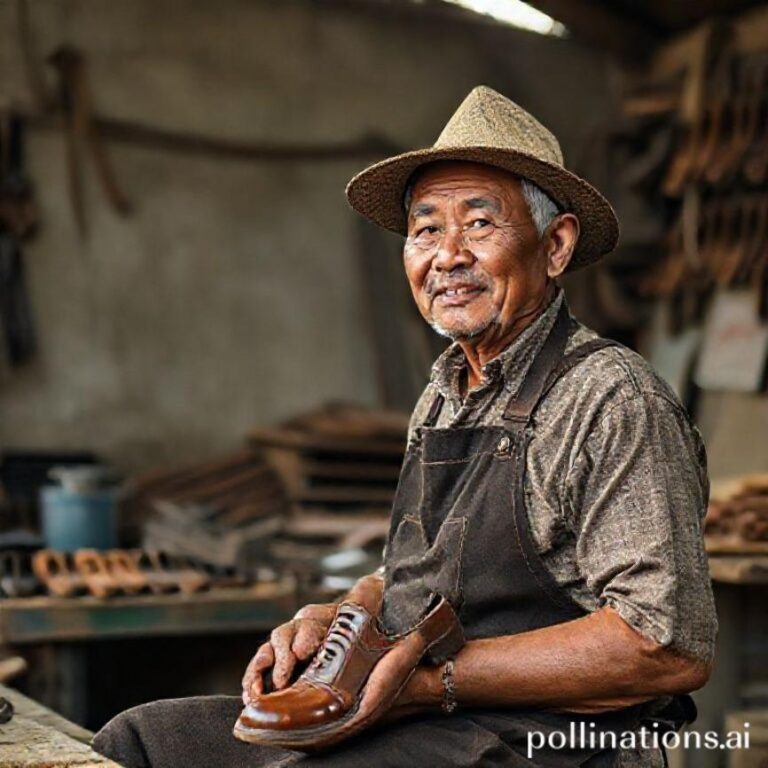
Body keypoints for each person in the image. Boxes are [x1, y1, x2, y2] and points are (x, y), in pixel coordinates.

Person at [94, 85, 717, 768]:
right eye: (425, 229)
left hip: (548, 744)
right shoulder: (444, 394)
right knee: (143, 741)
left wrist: (429, 684)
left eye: (479, 224)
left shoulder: (611, 397)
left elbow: (664, 644)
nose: (447, 255)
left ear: (557, 244)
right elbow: (418, 572)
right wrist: (341, 617)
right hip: (431, 719)